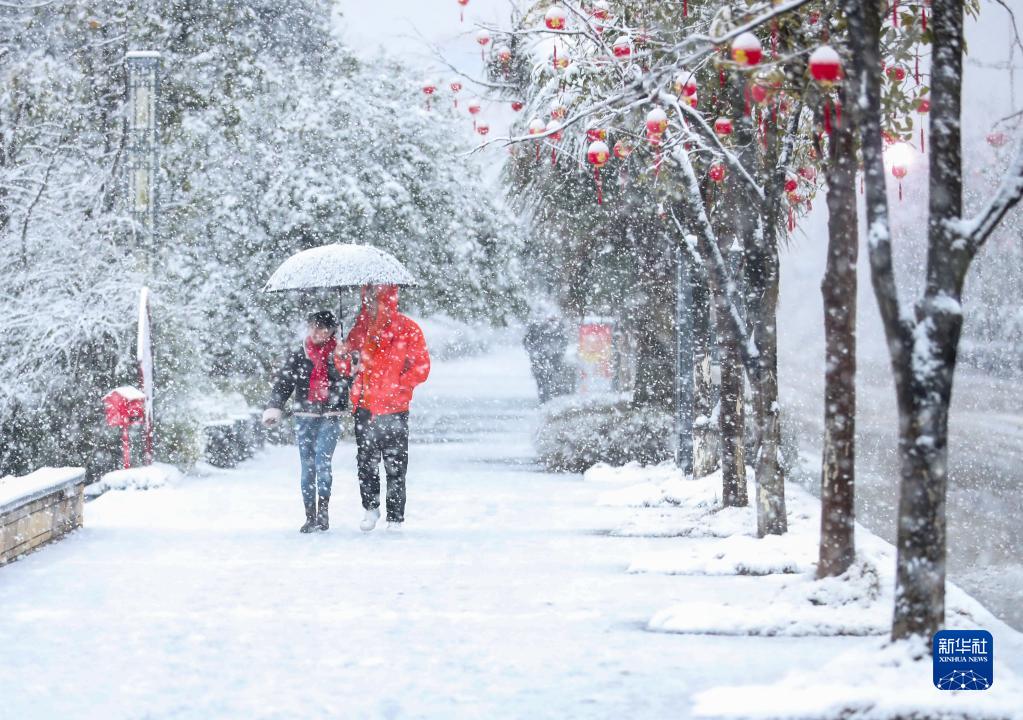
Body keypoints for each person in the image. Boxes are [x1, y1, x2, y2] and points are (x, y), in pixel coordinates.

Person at [336, 285, 430, 532]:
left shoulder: (407, 329)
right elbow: (346, 368)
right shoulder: (360, 329)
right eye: (366, 299)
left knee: (395, 464)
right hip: (364, 406)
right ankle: (370, 507)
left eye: (375, 300)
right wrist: (341, 355)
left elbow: (421, 367)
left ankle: (395, 517)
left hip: (394, 408)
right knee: (365, 463)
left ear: (387, 301)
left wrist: (397, 387)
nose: (369, 305)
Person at [262, 311, 351, 533]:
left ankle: (323, 512)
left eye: (322, 327)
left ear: (332, 331)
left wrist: (344, 361)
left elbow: (350, 380)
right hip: (304, 416)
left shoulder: (340, 355)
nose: (316, 331)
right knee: (307, 466)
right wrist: (274, 408)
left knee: (322, 462)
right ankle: (310, 516)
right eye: (313, 326)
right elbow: (283, 384)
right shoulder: (299, 354)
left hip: (331, 415)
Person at [523, 312, 569, 403]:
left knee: (549, 380)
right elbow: (527, 342)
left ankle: (548, 400)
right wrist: (535, 354)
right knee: (542, 381)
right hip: (541, 360)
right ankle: (545, 400)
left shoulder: (558, 330)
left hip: (550, 361)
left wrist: (557, 354)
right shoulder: (536, 329)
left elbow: (563, 343)